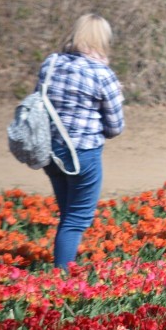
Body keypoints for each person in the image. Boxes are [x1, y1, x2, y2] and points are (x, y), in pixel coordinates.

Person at [39, 14, 125, 271]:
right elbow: (115, 127)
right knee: (77, 218)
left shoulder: (50, 63)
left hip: (50, 150)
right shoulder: (102, 73)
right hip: (83, 154)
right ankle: (63, 275)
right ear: (103, 40)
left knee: (67, 212)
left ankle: (63, 263)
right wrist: (117, 96)